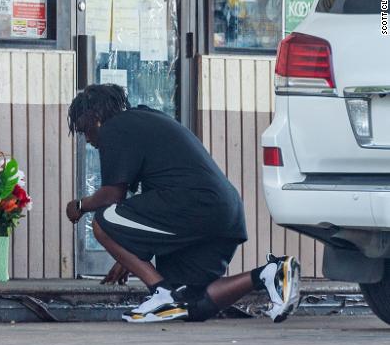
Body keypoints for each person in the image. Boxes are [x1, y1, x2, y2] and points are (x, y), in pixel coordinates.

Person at [65, 84, 300, 323]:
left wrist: (80, 206)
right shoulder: (148, 121)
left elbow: (111, 197)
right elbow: (151, 210)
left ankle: (161, 293)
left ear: (94, 117)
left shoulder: (114, 128)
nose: (87, 139)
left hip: (195, 206)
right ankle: (269, 274)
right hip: (223, 212)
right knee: (190, 301)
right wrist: (126, 255)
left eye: (84, 129)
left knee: (103, 222)